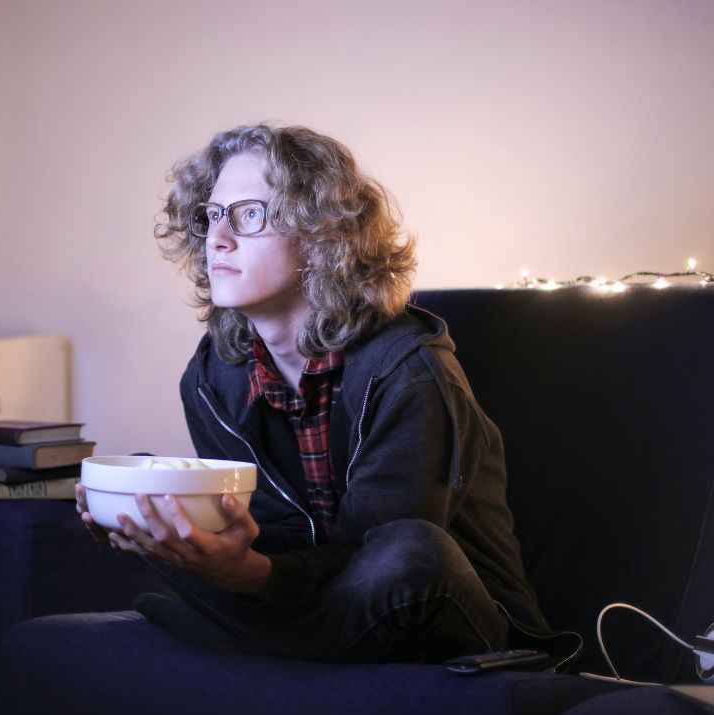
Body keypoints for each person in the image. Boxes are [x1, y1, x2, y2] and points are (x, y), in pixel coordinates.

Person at [74, 123, 551, 663]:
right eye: (213, 215)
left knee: (411, 552)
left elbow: (373, 561)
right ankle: (274, 639)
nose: (217, 239)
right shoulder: (212, 378)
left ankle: (250, 638)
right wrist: (185, 535)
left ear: (321, 236)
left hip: (452, 620)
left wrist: (248, 575)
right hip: (302, 598)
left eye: (249, 215)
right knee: (151, 487)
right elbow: (268, 537)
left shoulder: (410, 372)